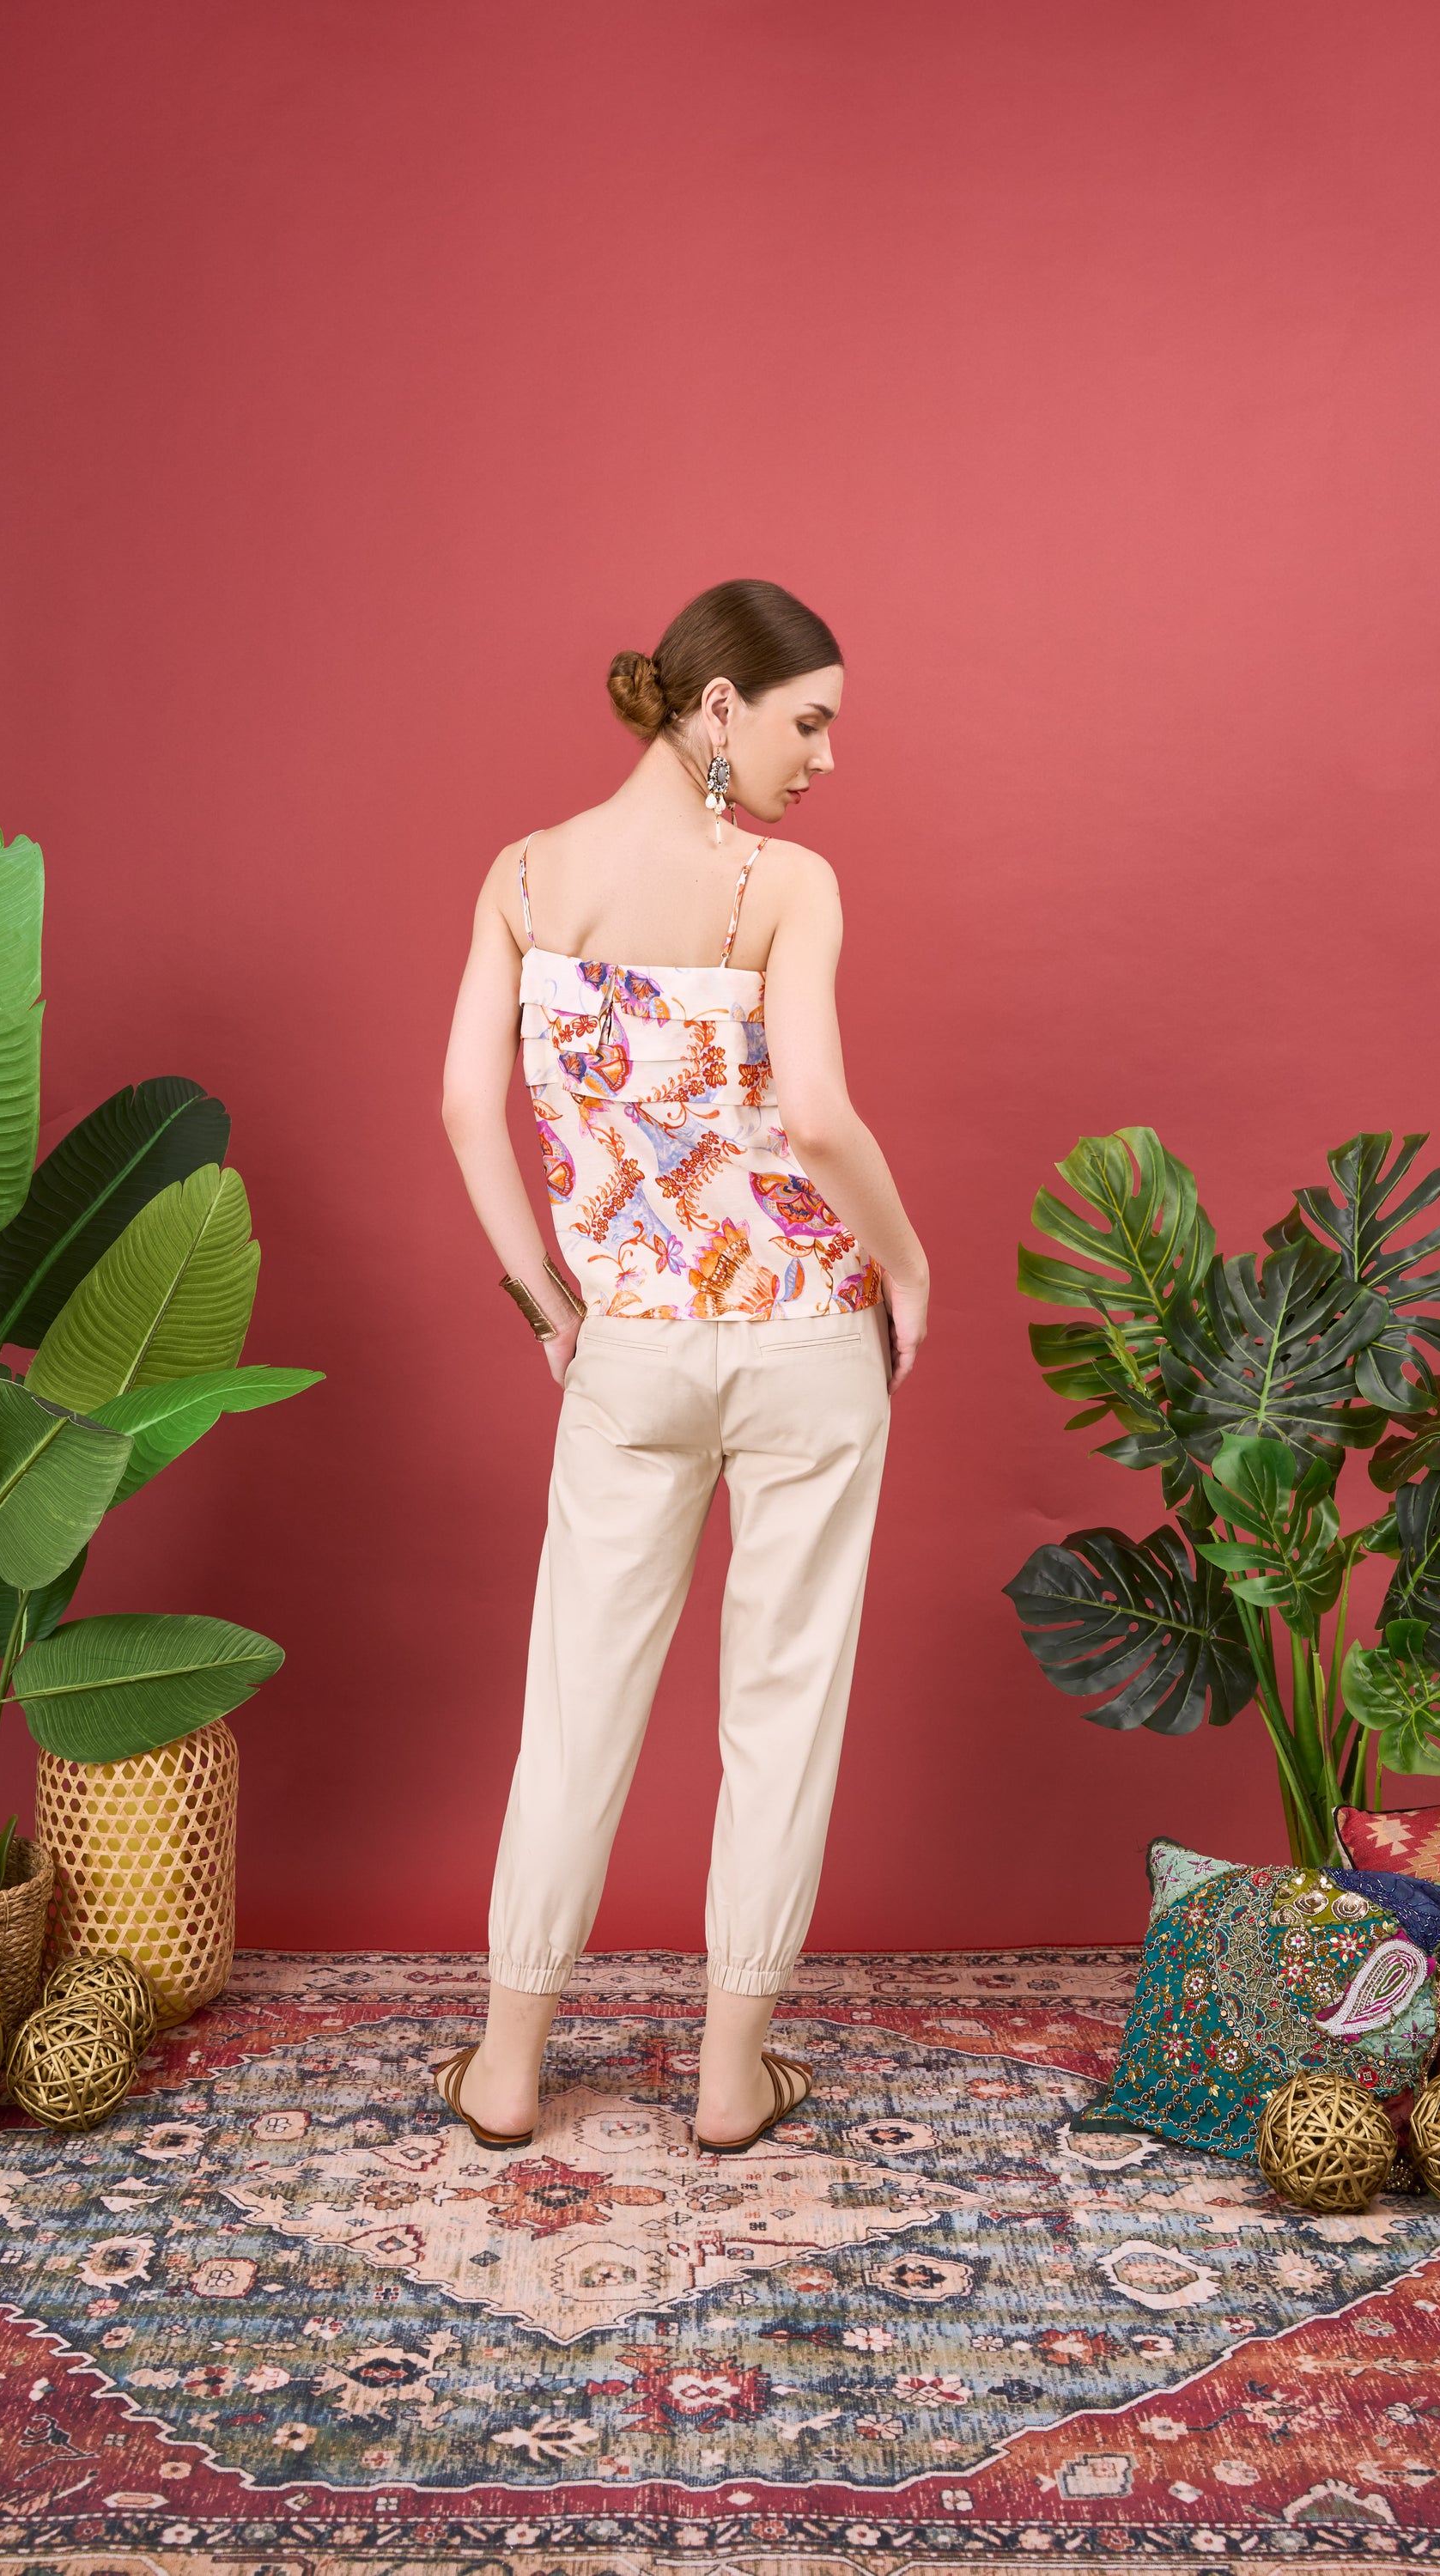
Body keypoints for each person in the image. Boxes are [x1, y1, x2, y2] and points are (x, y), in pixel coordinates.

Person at [439, 577, 928, 2155]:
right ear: (719, 705)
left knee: (574, 1705)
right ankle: (730, 2082)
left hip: (631, 1347)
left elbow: (463, 1110)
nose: (826, 759)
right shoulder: (787, 886)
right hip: (806, 1337)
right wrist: (910, 1266)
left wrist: (548, 1302)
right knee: (782, 1705)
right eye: (809, 722)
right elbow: (821, 1121)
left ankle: (506, 2070)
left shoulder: (524, 876)